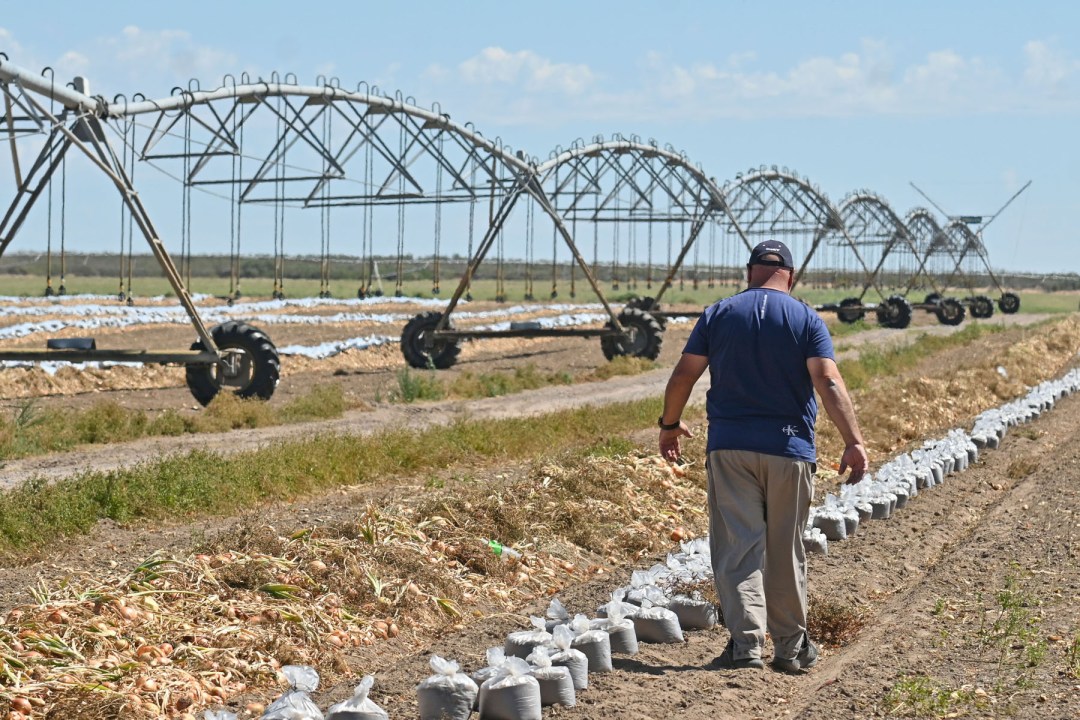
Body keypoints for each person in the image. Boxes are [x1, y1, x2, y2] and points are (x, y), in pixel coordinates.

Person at [658, 239, 868, 673]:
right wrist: (854, 440)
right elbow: (827, 382)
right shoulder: (805, 317)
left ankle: (745, 645)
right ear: (790, 276)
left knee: (738, 547)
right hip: (789, 449)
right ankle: (790, 648)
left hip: (730, 448)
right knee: (785, 549)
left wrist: (669, 424)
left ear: (749, 270)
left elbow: (684, 374)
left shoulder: (718, 314)